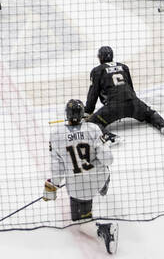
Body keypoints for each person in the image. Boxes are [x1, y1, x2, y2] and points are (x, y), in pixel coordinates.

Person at [43, 99, 118, 255]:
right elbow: (108, 159)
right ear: (83, 114)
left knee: (80, 222)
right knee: (103, 172)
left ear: (66, 115)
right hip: (99, 177)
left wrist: (52, 187)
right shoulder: (93, 128)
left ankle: (105, 229)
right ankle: (104, 187)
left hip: (79, 188)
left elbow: (57, 170)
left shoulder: (57, 134)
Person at [84, 46, 164, 143]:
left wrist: (88, 111)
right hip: (133, 103)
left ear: (100, 57)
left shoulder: (97, 71)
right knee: (150, 113)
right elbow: (130, 87)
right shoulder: (124, 67)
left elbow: (93, 92)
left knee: (92, 122)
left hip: (113, 107)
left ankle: (108, 136)